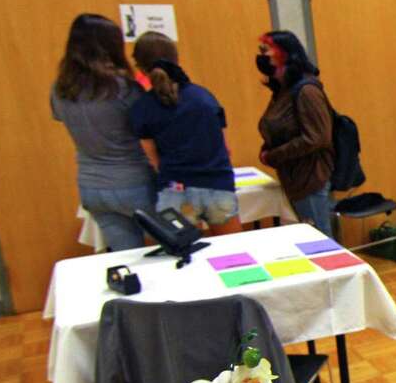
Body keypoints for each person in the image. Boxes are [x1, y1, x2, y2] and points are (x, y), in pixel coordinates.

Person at [51, 14, 154, 251]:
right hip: (134, 181)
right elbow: (149, 127)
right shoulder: (124, 88)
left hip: (92, 186)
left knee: (126, 258)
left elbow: (60, 116)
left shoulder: (60, 89)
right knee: (173, 252)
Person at [129, 32, 241, 235]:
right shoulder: (204, 98)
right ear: (177, 60)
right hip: (217, 184)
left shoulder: (142, 107)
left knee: (182, 256)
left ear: (140, 68)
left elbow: (154, 161)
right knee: (233, 253)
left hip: (175, 188)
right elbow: (226, 148)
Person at [255, 31, 335, 238]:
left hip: (309, 178)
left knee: (319, 240)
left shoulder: (306, 90)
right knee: (309, 236)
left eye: (265, 51)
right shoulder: (283, 91)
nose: (261, 56)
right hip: (294, 179)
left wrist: (274, 155)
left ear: (284, 54)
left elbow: (317, 137)